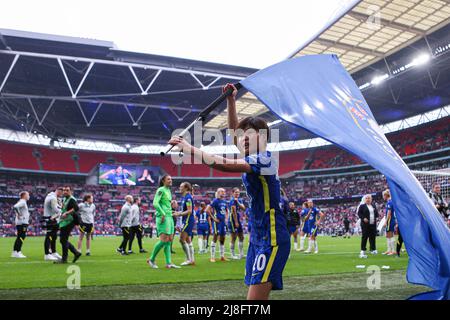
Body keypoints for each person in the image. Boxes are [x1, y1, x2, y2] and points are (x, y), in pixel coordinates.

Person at [168, 83, 290, 300]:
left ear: (262, 137)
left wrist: (187, 148)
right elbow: (235, 134)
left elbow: (224, 164)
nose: (242, 138)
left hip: (272, 238)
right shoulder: (253, 155)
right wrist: (231, 100)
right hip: (258, 237)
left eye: (249, 134)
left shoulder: (265, 159)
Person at [147, 175, 180, 269]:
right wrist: (163, 213)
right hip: (163, 217)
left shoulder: (168, 191)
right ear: (163, 181)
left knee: (169, 239)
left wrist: (172, 212)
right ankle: (151, 259)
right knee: (163, 239)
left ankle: (169, 263)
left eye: (171, 179)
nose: (171, 180)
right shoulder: (161, 190)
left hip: (169, 216)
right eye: (168, 179)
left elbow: (165, 204)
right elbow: (155, 203)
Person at [55, 186, 82, 264]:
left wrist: (67, 213)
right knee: (63, 240)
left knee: (63, 240)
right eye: (64, 190)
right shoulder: (65, 199)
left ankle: (65, 258)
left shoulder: (72, 199)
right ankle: (75, 253)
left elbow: (76, 208)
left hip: (70, 221)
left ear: (71, 192)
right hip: (65, 221)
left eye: (67, 190)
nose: (65, 192)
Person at [174, 182, 196, 266]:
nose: (179, 188)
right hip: (187, 219)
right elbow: (186, 210)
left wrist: (179, 214)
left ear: (186, 188)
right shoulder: (185, 198)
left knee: (181, 239)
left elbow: (189, 211)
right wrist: (177, 212)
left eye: (181, 187)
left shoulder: (188, 198)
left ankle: (188, 259)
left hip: (187, 220)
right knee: (188, 240)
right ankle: (192, 260)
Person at [207, 188, 229, 262]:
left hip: (223, 222)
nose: (223, 193)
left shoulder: (224, 201)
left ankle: (222, 256)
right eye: (222, 191)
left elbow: (226, 211)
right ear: (218, 193)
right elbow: (207, 209)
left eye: (224, 191)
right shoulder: (215, 201)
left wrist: (226, 217)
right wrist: (213, 218)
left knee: (223, 238)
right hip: (217, 222)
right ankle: (212, 257)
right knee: (215, 237)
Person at [43, 187, 63, 261]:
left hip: (52, 218)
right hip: (50, 218)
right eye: (61, 193)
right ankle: (47, 254)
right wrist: (61, 210)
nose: (62, 195)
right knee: (49, 236)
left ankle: (53, 252)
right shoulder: (53, 198)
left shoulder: (51, 196)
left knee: (54, 236)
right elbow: (55, 209)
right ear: (58, 191)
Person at [357, 194, 379, 258]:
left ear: (371, 199)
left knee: (372, 237)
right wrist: (363, 218)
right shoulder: (362, 206)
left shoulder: (373, 205)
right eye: (366, 198)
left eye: (369, 198)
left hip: (373, 223)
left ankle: (373, 249)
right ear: (364, 199)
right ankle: (363, 249)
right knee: (365, 237)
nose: (368, 199)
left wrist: (377, 218)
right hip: (365, 224)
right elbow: (359, 213)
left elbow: (376, 213)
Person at [11, 191, 30, 258]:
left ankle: (15, 252)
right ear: (24, 195)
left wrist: (18, 214)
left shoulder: (21, 201)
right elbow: (15, 207)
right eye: (28, 195)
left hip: (20, 222)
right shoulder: (23, 201)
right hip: (22, 222)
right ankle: (18, 251)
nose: (29, 196)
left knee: (19, 237)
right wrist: (19, 214)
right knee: (22, 237)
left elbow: (16, 207)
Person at [228, 187, 246, 259]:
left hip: (238, 219)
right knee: (234, 237)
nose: (237, 193)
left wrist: (237, 202)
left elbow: (244, 208)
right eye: (236, 192)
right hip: (232, 220)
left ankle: (241, 254)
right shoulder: (232, 201)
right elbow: (234, 212)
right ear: (233, 193)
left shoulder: (239, 200)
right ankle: (232, 254)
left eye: (238, 192)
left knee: (241, 236)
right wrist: (236, 222)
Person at [382, 189, 396, 256]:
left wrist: (385, 222)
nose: (383, 197)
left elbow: (389, 213)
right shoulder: (390, 202)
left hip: (390, 220)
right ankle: (389, 250)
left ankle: (393, 250)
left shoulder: (389, 202)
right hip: (390, 220)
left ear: (385, 195)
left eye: (383, 196)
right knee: (388, 235)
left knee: (390, 235)